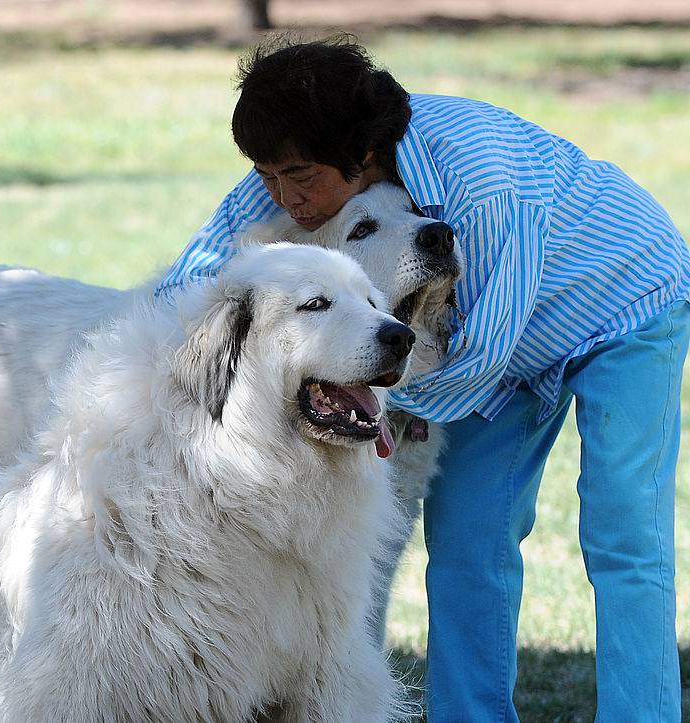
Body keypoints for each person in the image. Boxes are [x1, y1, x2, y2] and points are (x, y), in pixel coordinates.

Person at [155, 36, 690, 721]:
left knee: (623, 537)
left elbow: (478, 362)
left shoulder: (483, 183)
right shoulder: (304, 161)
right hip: (498, 349)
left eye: (298, 177)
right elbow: (202, 265)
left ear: (363, 157)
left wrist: (345, 395)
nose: (285, 197)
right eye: (267, 176)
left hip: (625, 302)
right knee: (469, 542)